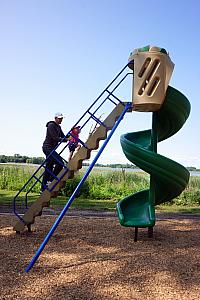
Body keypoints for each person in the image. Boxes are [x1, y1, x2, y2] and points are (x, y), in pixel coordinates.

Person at [41, 112, 68, 191]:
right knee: (60, 163)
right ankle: (51, 180)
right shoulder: (51, 125)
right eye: (59, 118)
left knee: (48, 168)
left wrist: (73, 134)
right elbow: (55, 138)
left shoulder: (58, 127)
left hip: (52, 149)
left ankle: (43, 188)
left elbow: (63, 137)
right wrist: (66, 139)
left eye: (62, 119)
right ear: (55, 118)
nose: (61, 120)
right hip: (47, 148)